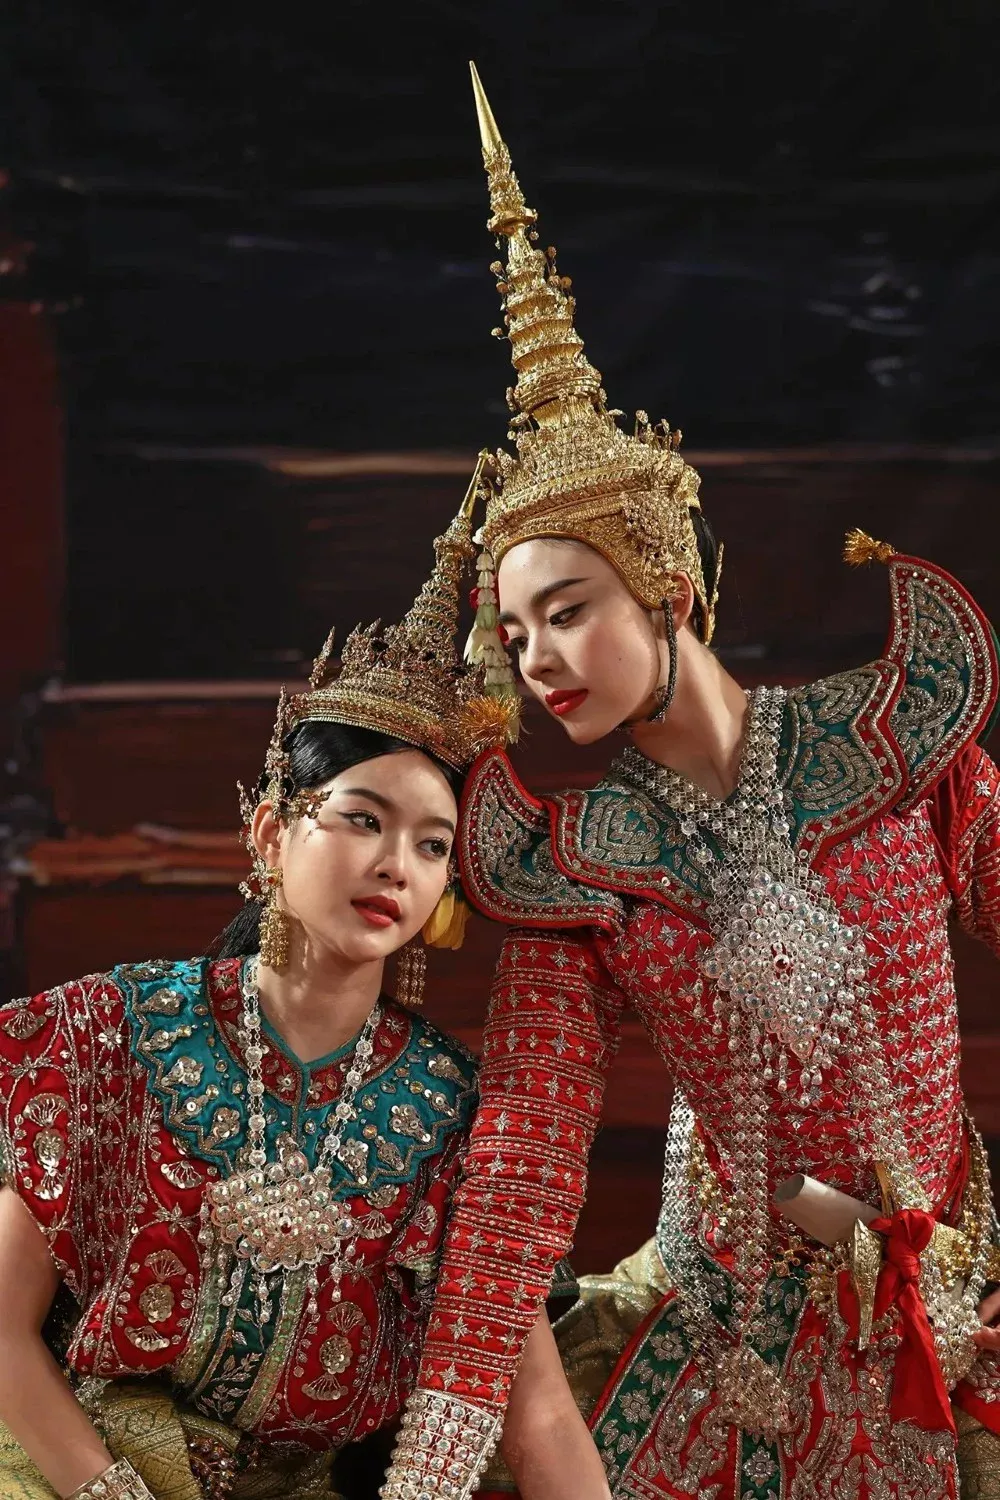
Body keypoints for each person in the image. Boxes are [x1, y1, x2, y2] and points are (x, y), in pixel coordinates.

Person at [378, 69, 1000, 1500]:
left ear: (668, 585)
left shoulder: (892, 753)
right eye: (514, 634)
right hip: (742, 1354)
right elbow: (525, 1162)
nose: (540, 658)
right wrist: (435, 1461)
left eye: (569, 610)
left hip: (957, 1307)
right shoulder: (579, 860)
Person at [0, 484, 606, 1500]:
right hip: (76, 1467)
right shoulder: (110, 1033)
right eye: (362, 820)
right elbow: (3, 1334)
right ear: (272, 832)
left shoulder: (454, 1112)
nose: (396, 865)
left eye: (432, 845)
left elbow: (535, 1410)